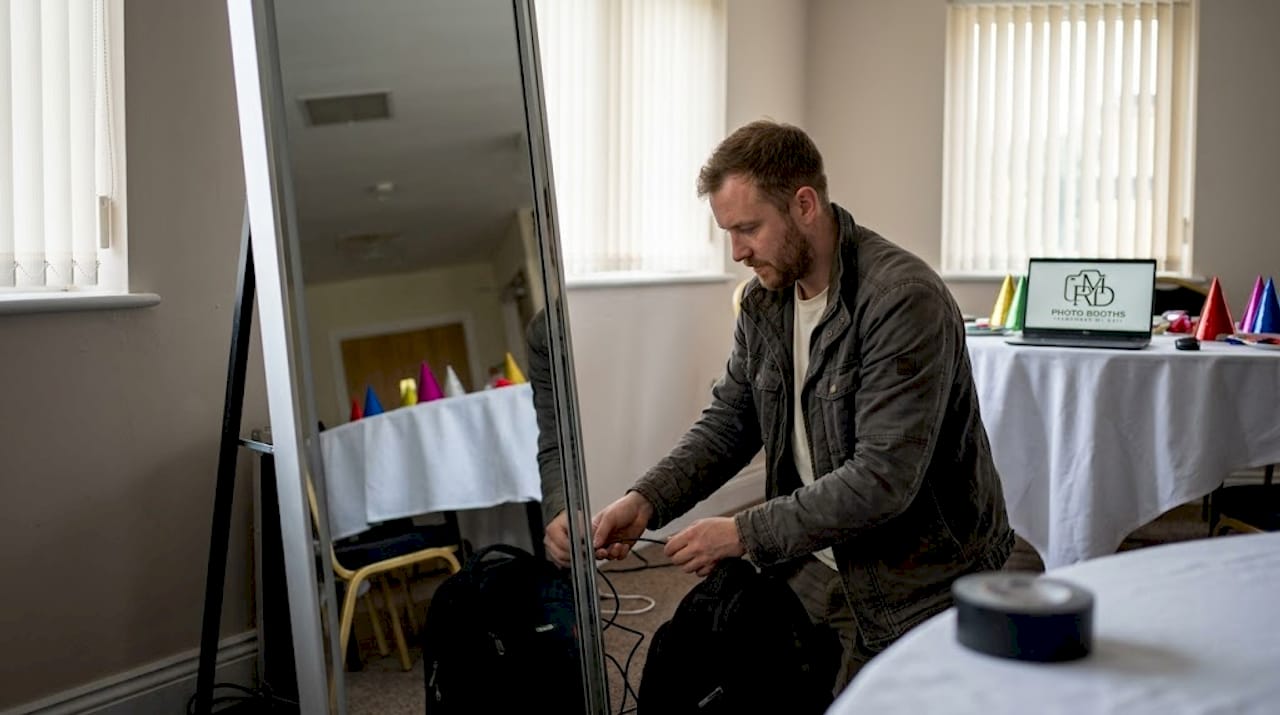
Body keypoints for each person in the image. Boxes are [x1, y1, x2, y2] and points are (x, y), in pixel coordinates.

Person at [590, 120, 1014, 693]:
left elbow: (883, 479)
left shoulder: (902, 300)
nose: (737, 251)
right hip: (816, 555)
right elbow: (730, 421)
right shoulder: (766, 301)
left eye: (748, 229)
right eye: (728, 233)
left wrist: (743, 532)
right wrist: (646, 500)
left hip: (917, 580)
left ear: (805, 205)